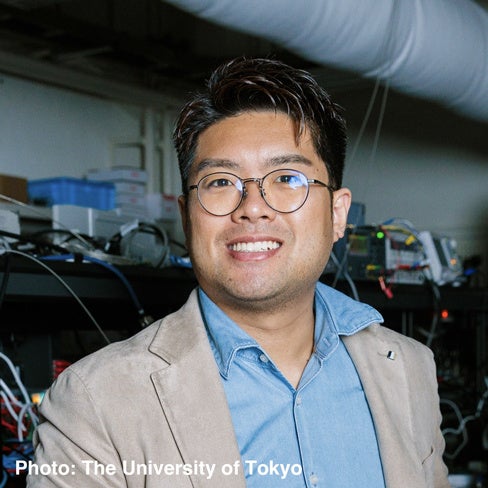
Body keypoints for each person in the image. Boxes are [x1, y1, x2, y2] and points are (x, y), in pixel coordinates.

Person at [27, 56, 450, 488]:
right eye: (220, 182)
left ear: (337, 214)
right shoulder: (95, 402)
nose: (252, 208)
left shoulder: (409, 369)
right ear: (187, 217)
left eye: (288, 178)